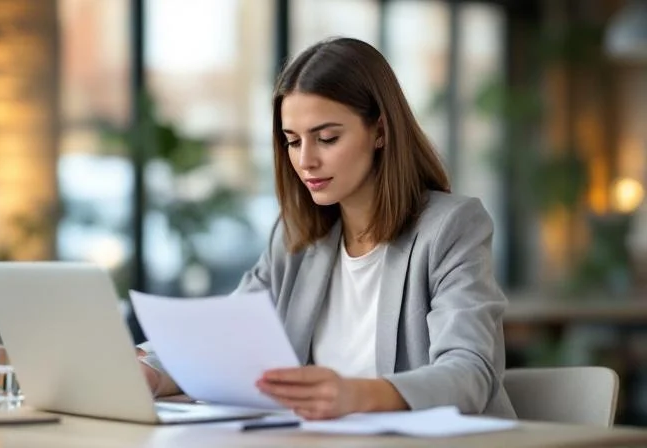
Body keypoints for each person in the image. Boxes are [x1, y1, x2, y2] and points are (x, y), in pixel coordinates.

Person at [136, 37, 516, 421]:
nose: (306, 161)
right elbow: (225, 338)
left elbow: (471, 372)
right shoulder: (295, 239)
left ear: (380, 131)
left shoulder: (451, 228)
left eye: (327, 138)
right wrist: (149, 370)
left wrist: (357, 394)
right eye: (293, 141)